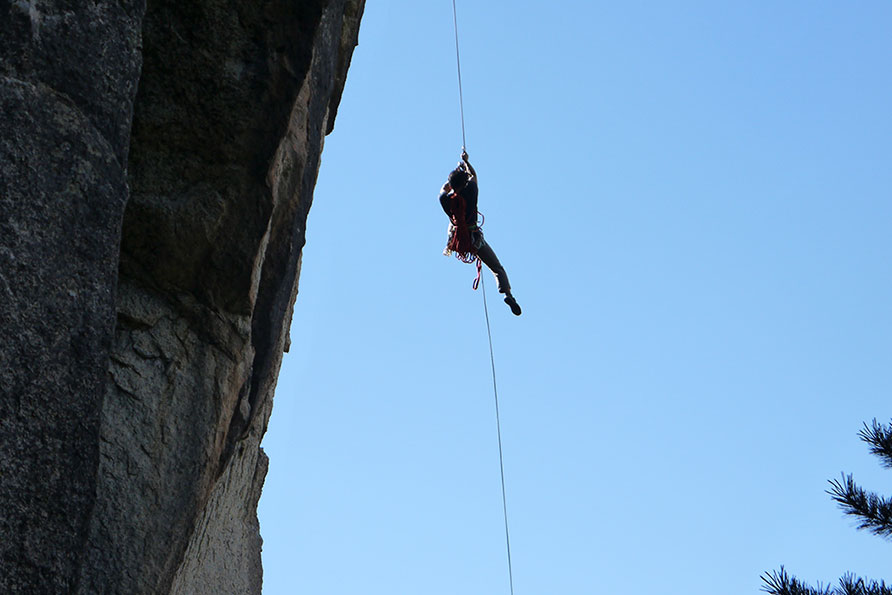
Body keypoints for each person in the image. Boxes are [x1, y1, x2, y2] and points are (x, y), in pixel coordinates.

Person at [439, 151, 522, 316]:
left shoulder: (445, 200)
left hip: (456, 240)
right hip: (474, 239)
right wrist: (466, 163)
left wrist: (451, 181)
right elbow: (473, 176)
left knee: (453, 222)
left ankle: (451, 240)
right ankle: (508, 294)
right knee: (497, 268)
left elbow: (444, 189)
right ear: (465, 183)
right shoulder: (471, 192)